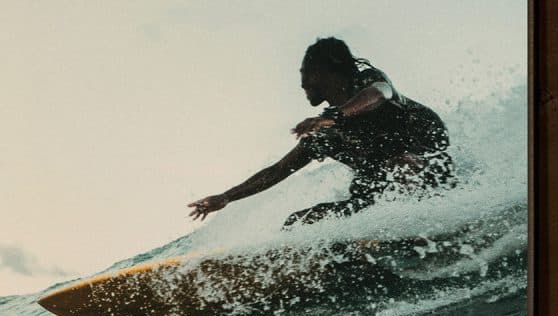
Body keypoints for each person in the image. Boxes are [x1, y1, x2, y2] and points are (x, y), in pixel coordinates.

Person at [189, 37, 454, 228]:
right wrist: (226, 197)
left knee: (401, 165)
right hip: (379, 186)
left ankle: (430, 225)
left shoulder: (367, 82)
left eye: (305, 74)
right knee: (298, 221)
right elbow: (279, 170)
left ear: (322, 73)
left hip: (429, 164)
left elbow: (380, 94)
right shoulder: (327, 133)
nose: (302, 83)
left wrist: (335, 115)